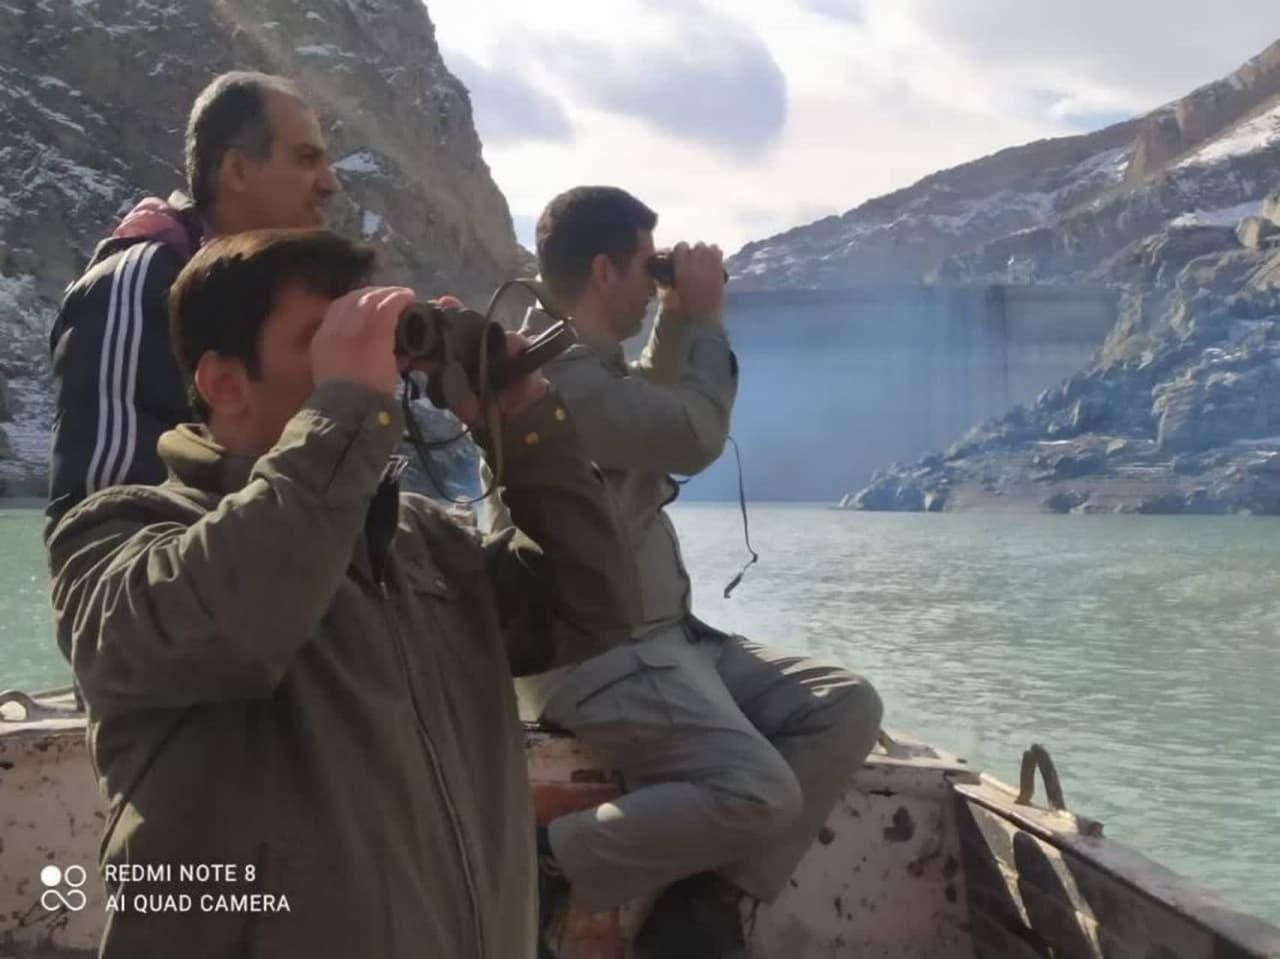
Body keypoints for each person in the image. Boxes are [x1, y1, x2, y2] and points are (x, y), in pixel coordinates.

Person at [46, 228, 638, 958]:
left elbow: (596, 603)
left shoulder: (425, 543)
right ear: (224, 383)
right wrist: (346, 408)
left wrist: (519, 411)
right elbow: (228, 628)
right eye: (325, 342)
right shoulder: (116, 536)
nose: (375, 371)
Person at [510, 186, 884, 956]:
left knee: (845, 704)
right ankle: (544, 865)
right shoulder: (552, 382)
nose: (656, 282)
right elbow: (690, 431)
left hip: (664, 637)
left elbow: (648, 394)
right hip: (597, 653)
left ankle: (705, 902)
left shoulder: (592, 369)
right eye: (648, 266)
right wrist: (707, 322)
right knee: (759, 789)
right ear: (606, 269)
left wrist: (678, 317)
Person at [46, 71, 339, 530]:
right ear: (237, 170)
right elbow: (104, 534)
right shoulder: (138, 283)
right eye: (306, 159)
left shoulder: (278, 310)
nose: (329, 183)